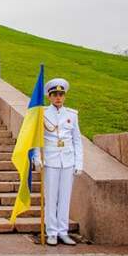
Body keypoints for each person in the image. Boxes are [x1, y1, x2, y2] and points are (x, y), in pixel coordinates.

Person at [33, 78, 84, 246]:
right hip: (51, 160)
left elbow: (77, 141)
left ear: (65, 96)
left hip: (67, 161)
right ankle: (52, 232)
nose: (58, 98)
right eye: (54, 94)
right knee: (51, 197)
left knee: (65, 198)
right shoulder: (42, 113)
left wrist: (79, 163)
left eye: (61, 94)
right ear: (49, 96)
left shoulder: (72, 115)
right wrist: (37, 158)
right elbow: (36, 139)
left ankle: (63, 231)